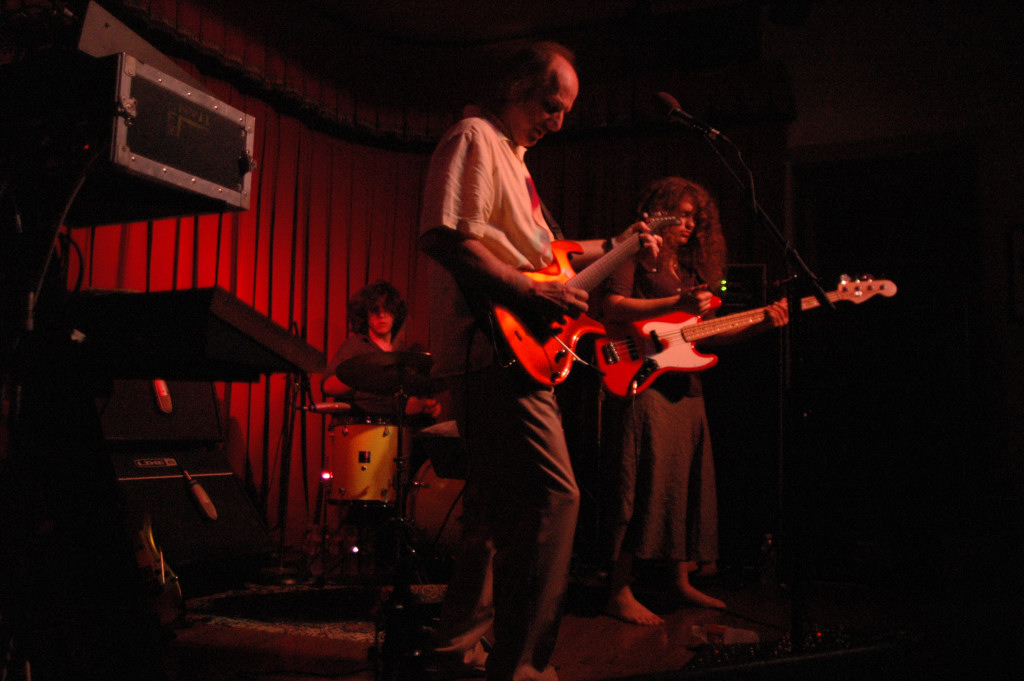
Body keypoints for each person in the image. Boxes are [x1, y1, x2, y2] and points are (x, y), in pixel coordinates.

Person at [418, 41, 659, 681]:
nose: (558, 121)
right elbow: (443, 235)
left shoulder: (516, 161)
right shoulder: (474, 137)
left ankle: (457, 650)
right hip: (492, 349)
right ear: (516, 86)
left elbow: (552, 258)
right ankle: (522, 666)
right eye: (552, 105)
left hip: (512, 351)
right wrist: (529, 293)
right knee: (556, 497)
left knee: (492, 514)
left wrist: (623, 245)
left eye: (566, 111)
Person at [599, 176, 789, 626]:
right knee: (638, 485)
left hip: (685, 387)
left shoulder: (689, 271)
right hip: (642, 380)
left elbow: (707, 336)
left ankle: (678, 580)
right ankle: (617, 589)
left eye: (695, 218)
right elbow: (611, 306)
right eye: (682, 215)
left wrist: (763, 323)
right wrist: (674, 303)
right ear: (660, 211)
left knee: (682, 483)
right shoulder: (634, 252)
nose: (689, 224)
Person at [321, 280, 441, 424]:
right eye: (375, 310)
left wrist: (428, 407)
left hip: (397, 425)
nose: (382, 315)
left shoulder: (404, 352)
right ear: (365, 314)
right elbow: (328, 386)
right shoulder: (356, 345)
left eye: (388, 309)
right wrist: (366, 375)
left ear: (396, 313)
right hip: (360, 424)